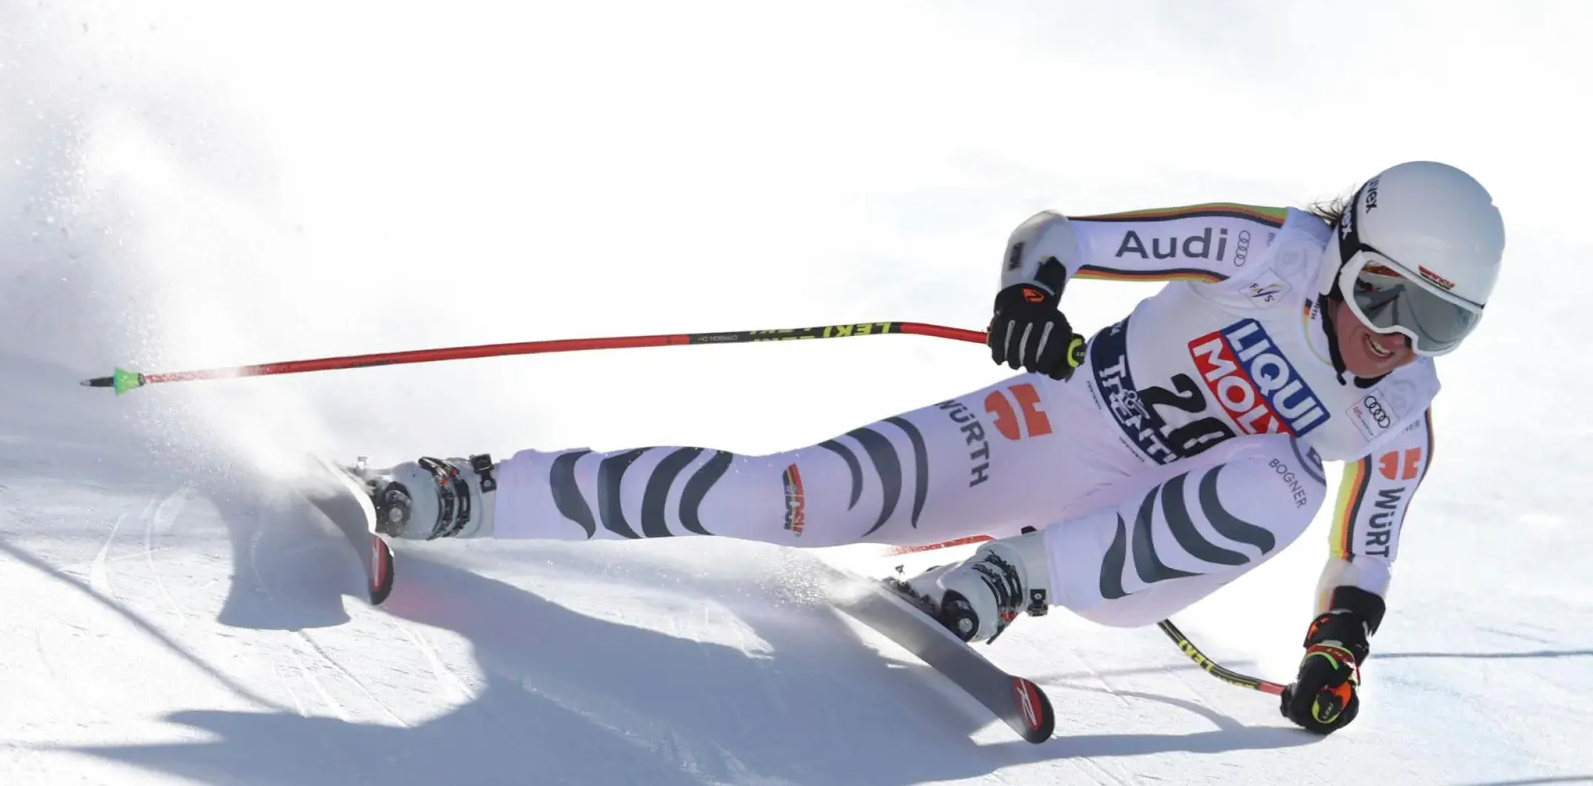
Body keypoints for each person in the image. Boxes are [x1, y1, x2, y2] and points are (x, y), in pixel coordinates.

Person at [355, 160, 1505, 736]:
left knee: (1285, 481)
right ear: (1343, 249)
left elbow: (1369, 551)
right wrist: (1031, 295)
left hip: (1115, 550)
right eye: (1379, 294)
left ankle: (997, 583)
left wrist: (1335, 651)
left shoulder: (1395, 411)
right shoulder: (1269, 248)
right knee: (780, 495)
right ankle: (462, 492)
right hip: (1054, 425)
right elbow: (1060, 235)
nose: (1388, 337)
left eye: (1435, 323)